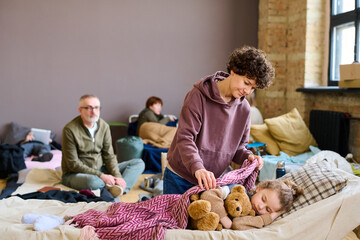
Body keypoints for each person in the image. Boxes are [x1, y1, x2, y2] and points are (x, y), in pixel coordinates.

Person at [164, 46, 275, 194]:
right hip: (180, 177)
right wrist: (198, 168)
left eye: (253, 88)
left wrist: (248, 157)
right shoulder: (198, 96)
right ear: (234, 70)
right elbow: (185, 138)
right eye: (247, 83)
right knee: (171, 218)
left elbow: (238, 149)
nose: (248, 91)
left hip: (211, 183)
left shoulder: (244, 109)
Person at [61, 94, 145, 197]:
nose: (94, 111)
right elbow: (73, 164)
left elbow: (109, 155)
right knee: (93, 182)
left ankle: (120, 189)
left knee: (138, 163)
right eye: (88, 108)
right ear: (80, 110)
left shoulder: (104, 126)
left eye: (96, 107)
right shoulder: (70, 129)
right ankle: (110, 186)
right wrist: (101, 176)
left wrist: (117, 176)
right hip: (75, 174)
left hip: (101, 169)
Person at [201, 178, 304, 230]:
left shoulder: (255, 218)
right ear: (260, 188)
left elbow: (237, 224)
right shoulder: (238, 190)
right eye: (263, 199)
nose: (260, 207)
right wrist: (224, 219)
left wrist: (270, 217)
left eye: (268, 210)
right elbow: (208, 195)